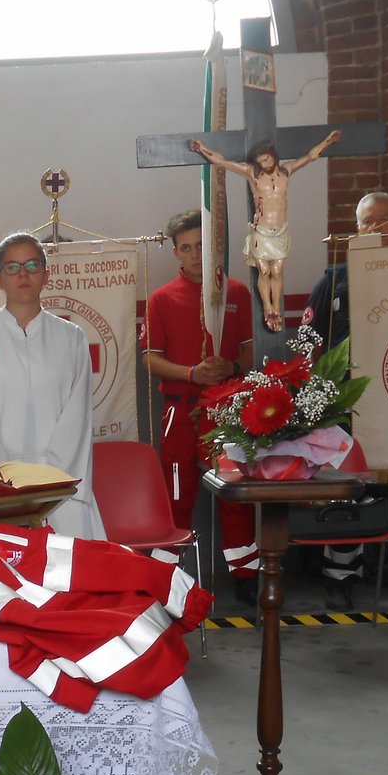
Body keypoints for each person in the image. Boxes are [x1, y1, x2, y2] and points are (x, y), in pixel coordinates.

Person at [301, 190, 388, 608]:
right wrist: (315, 400)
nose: (373, 228)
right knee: (347, 493)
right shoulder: (335, 279)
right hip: (348, 410)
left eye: (383, 219)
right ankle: (340, 578)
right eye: (366, 221)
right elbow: (308, 344)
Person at [140, 209, 259, 603]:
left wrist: (230, 367)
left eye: (200, 247)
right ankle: (164, 579)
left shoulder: (238, 293)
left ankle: (246, 575)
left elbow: (247, 356)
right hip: (180, 407)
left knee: (234, 491)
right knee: (177, 493)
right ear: (176, 253)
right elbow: (149, 358)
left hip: (226, 407)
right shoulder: (161, 299)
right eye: (186, 248)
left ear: (214, 250)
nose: (194, 255)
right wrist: (191, 373)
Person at [0, 233, 100, 538]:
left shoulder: (71, 337)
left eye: (32, 265)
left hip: (61, 483)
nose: (23, 274)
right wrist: (4, 480)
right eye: (12, 267)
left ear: (46, 275)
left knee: (70, 573)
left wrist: (52, 481)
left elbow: (78, 416)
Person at [190, 129, 340, 331]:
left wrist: (328, 141)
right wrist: (202, 149)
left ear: (274, 157)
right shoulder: (253, 174)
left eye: (267, 159)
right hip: (261, 230)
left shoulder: (286, 172)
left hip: (280, 230)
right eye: (261, 161)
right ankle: (268, 308)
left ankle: (276, 307)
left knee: (276, 271)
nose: (265, 164)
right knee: (264, 269)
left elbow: (310, 157)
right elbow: (223, 162)